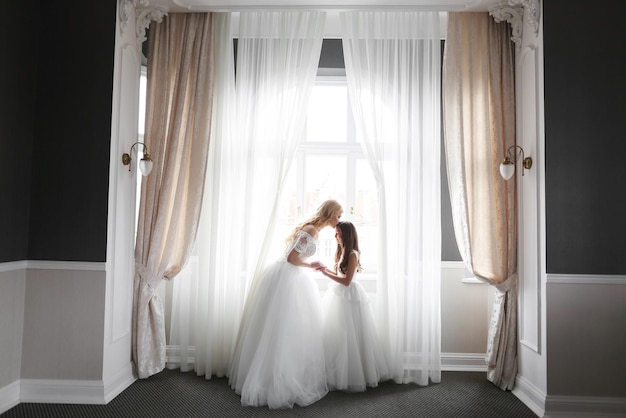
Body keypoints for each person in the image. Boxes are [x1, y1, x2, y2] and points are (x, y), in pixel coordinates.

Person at [228, 199, 343, 409]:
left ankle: (283, 373)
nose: (339, 219)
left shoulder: (313, 229)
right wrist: (313, 264)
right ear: (330, 215)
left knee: (287, 331)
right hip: (289, 279)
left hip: (288, 277)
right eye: (338, 215)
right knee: (285, 330)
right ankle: (276, 380)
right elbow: (292, 258)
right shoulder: (312, 230)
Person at [317, 221, 390, 392]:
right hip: (338, 296)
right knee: (337, 335)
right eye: (335, 233)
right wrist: (325, 270)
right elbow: (339, 275)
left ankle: (353, 375)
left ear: (347, 235)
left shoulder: (352, 254)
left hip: (349, 297)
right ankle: (334, 372)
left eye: (338, 233)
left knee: (350, 336)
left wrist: (326, 274)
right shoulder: (341, 252)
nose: (335, 236)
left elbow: (347, 281)